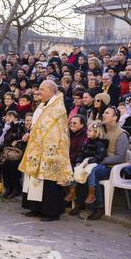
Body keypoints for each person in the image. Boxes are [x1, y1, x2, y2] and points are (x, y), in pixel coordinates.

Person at [19, 80, 73, 221]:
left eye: (42, 90)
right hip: (39, 148)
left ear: (50, 91)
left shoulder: (57, 108)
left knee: (49, 181)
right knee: (37, 179)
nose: (39, 92)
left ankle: (52, 212)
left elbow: (50, 128)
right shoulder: (45, 105)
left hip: (52, 150)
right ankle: (37, 208)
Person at [88, 107, 130, 220]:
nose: (103, 115)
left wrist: (100, 160)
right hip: (100, 163)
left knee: (95, 173)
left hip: (113, 168)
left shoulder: (122, 134)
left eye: (107, 113)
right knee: (84, 169)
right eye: (104, 112)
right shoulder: (101, 130)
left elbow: (120, 157)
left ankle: (100, 207)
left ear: (115, 118)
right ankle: (81, 202)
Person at [65, 120, 108, 203]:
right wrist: (78, 161)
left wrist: (90, 161)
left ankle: (91, 193)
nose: (87, 132)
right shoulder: (86, 141)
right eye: (88, 130)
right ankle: (72, 192)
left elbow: (100, 156)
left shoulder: (100, 143)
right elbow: (81, 153)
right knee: (76, 169)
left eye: (90, 131)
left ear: (96, 133)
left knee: (90, 172)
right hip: (86, 161)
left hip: (96, 163)